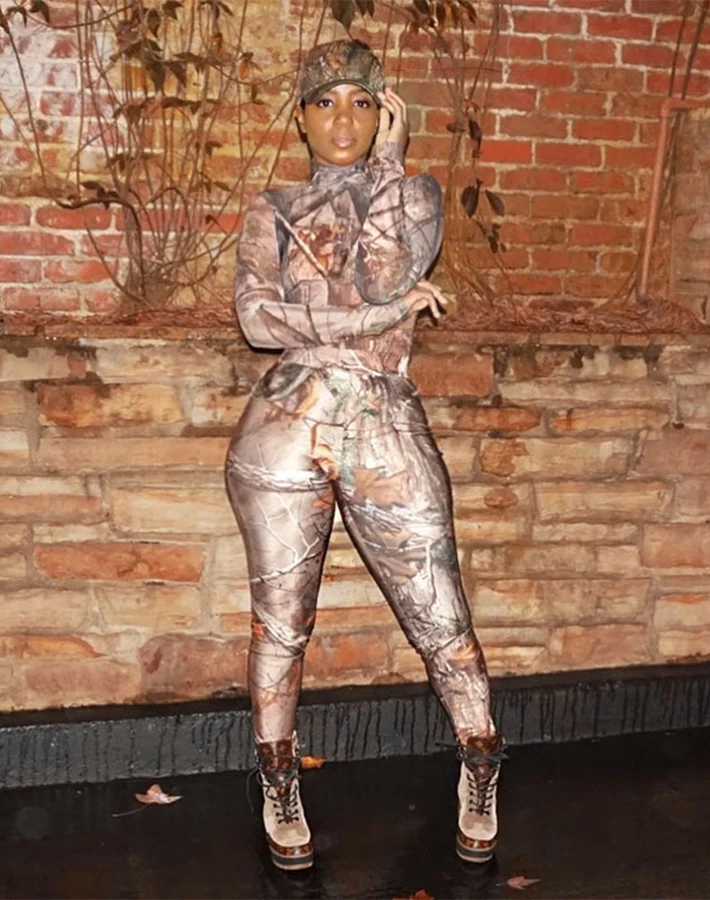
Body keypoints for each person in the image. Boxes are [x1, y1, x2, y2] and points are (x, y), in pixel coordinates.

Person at [226, 38, 503, 872]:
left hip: (384, 419)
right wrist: (365, 324)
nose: (341, 119)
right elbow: (256, 319)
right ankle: (279, 781)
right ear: (301, 117)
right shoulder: (272, 209)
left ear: (385, 113)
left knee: (441, 614)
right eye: (324, 102)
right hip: (284, 423)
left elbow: (385, 275)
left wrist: (389, 164)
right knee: (282, 624)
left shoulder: (414, 193)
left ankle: (482, 761)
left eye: (361, 102)